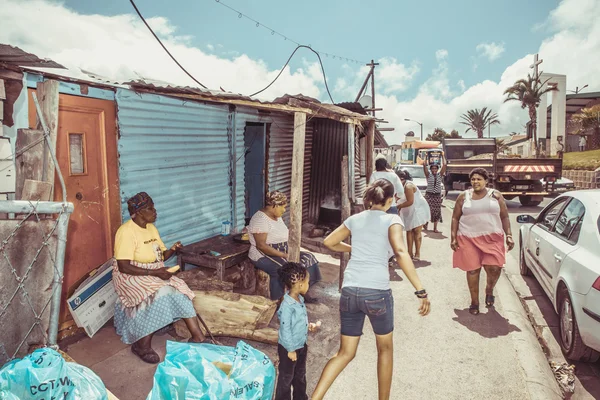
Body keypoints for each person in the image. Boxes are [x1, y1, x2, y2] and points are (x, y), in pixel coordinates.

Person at [312, 179, 431, 400]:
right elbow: (401, 252)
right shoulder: (392, 219)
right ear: (390, 199)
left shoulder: (355, 219)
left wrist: (354, 247)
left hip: (350, 292)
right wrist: (420, 289)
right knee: (385, 349)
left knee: (345, 353)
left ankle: (315, 398)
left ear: (369, 199)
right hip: (376, 292)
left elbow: (329, 242)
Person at [112, 192, 204, 363]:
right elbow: (123, 266)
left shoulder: (151, 228)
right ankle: (141, 346)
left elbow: (160, 256)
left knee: (179, 288)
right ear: (138, 212)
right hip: (129, 275)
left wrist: (173, 249)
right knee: (159, 293)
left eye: (154, 207)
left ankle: (198, 336)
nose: (155, 211)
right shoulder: (125, 232)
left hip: (152, 270)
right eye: (150, 208)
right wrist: (155, 273)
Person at [450, 168, 515, 315]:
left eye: (479, 179)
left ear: (486, 181)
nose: (475, 182)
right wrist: (453, 237)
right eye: (473, 179)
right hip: (468, 237)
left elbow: (504, 217)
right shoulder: (463, 196)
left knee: (494, 268)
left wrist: (509, 235)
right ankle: (474, 302)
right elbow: (455, 217)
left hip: (492, 238)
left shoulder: (496, 196)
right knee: (473, 270)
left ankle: (489, 289)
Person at [248, 191, 322, 302]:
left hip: (282, 249)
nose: (284, 210)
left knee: (308, 258)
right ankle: (278, 301)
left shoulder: (276, 216)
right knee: (281, 269)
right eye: (283, 207)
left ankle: (303, 292)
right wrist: (284, 255)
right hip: (262, 254)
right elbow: (261, 246)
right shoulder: (260, 219)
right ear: (275, 206)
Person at [275, 263, 319, 400]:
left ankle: (300, 397)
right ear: (299, 284)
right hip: (289, 348)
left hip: (301, 345)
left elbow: (297, 322)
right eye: (307, 282)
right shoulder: (287, 305)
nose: (308, 284)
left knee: (300, 375)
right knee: (286, 377)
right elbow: (285, 328)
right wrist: (290, 349)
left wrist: (308, 326)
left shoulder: (299, 299)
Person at [396, 170, 431, 261]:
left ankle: (417, 253)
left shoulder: (408, 186)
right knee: (409, 230)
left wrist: (399, 206)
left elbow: (410, 201)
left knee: (416, 231)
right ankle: (409, 253)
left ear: (402, 179)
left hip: (418, 209)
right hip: (408, 210)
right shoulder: (399, 186)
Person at [422, 151, 446, 232]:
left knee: (437, 211)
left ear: (437, 169)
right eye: (433, 168)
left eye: (436, 168)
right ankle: (425, 223)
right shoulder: (428, 175)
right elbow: (424, 165)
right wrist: (425, 156)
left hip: (437, 196)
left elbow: (445, 165)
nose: (434, 169)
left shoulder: (440, 175)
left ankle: (435, 228)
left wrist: (443, 156)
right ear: (431, 169)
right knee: (427, 210)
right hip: (429, 195)